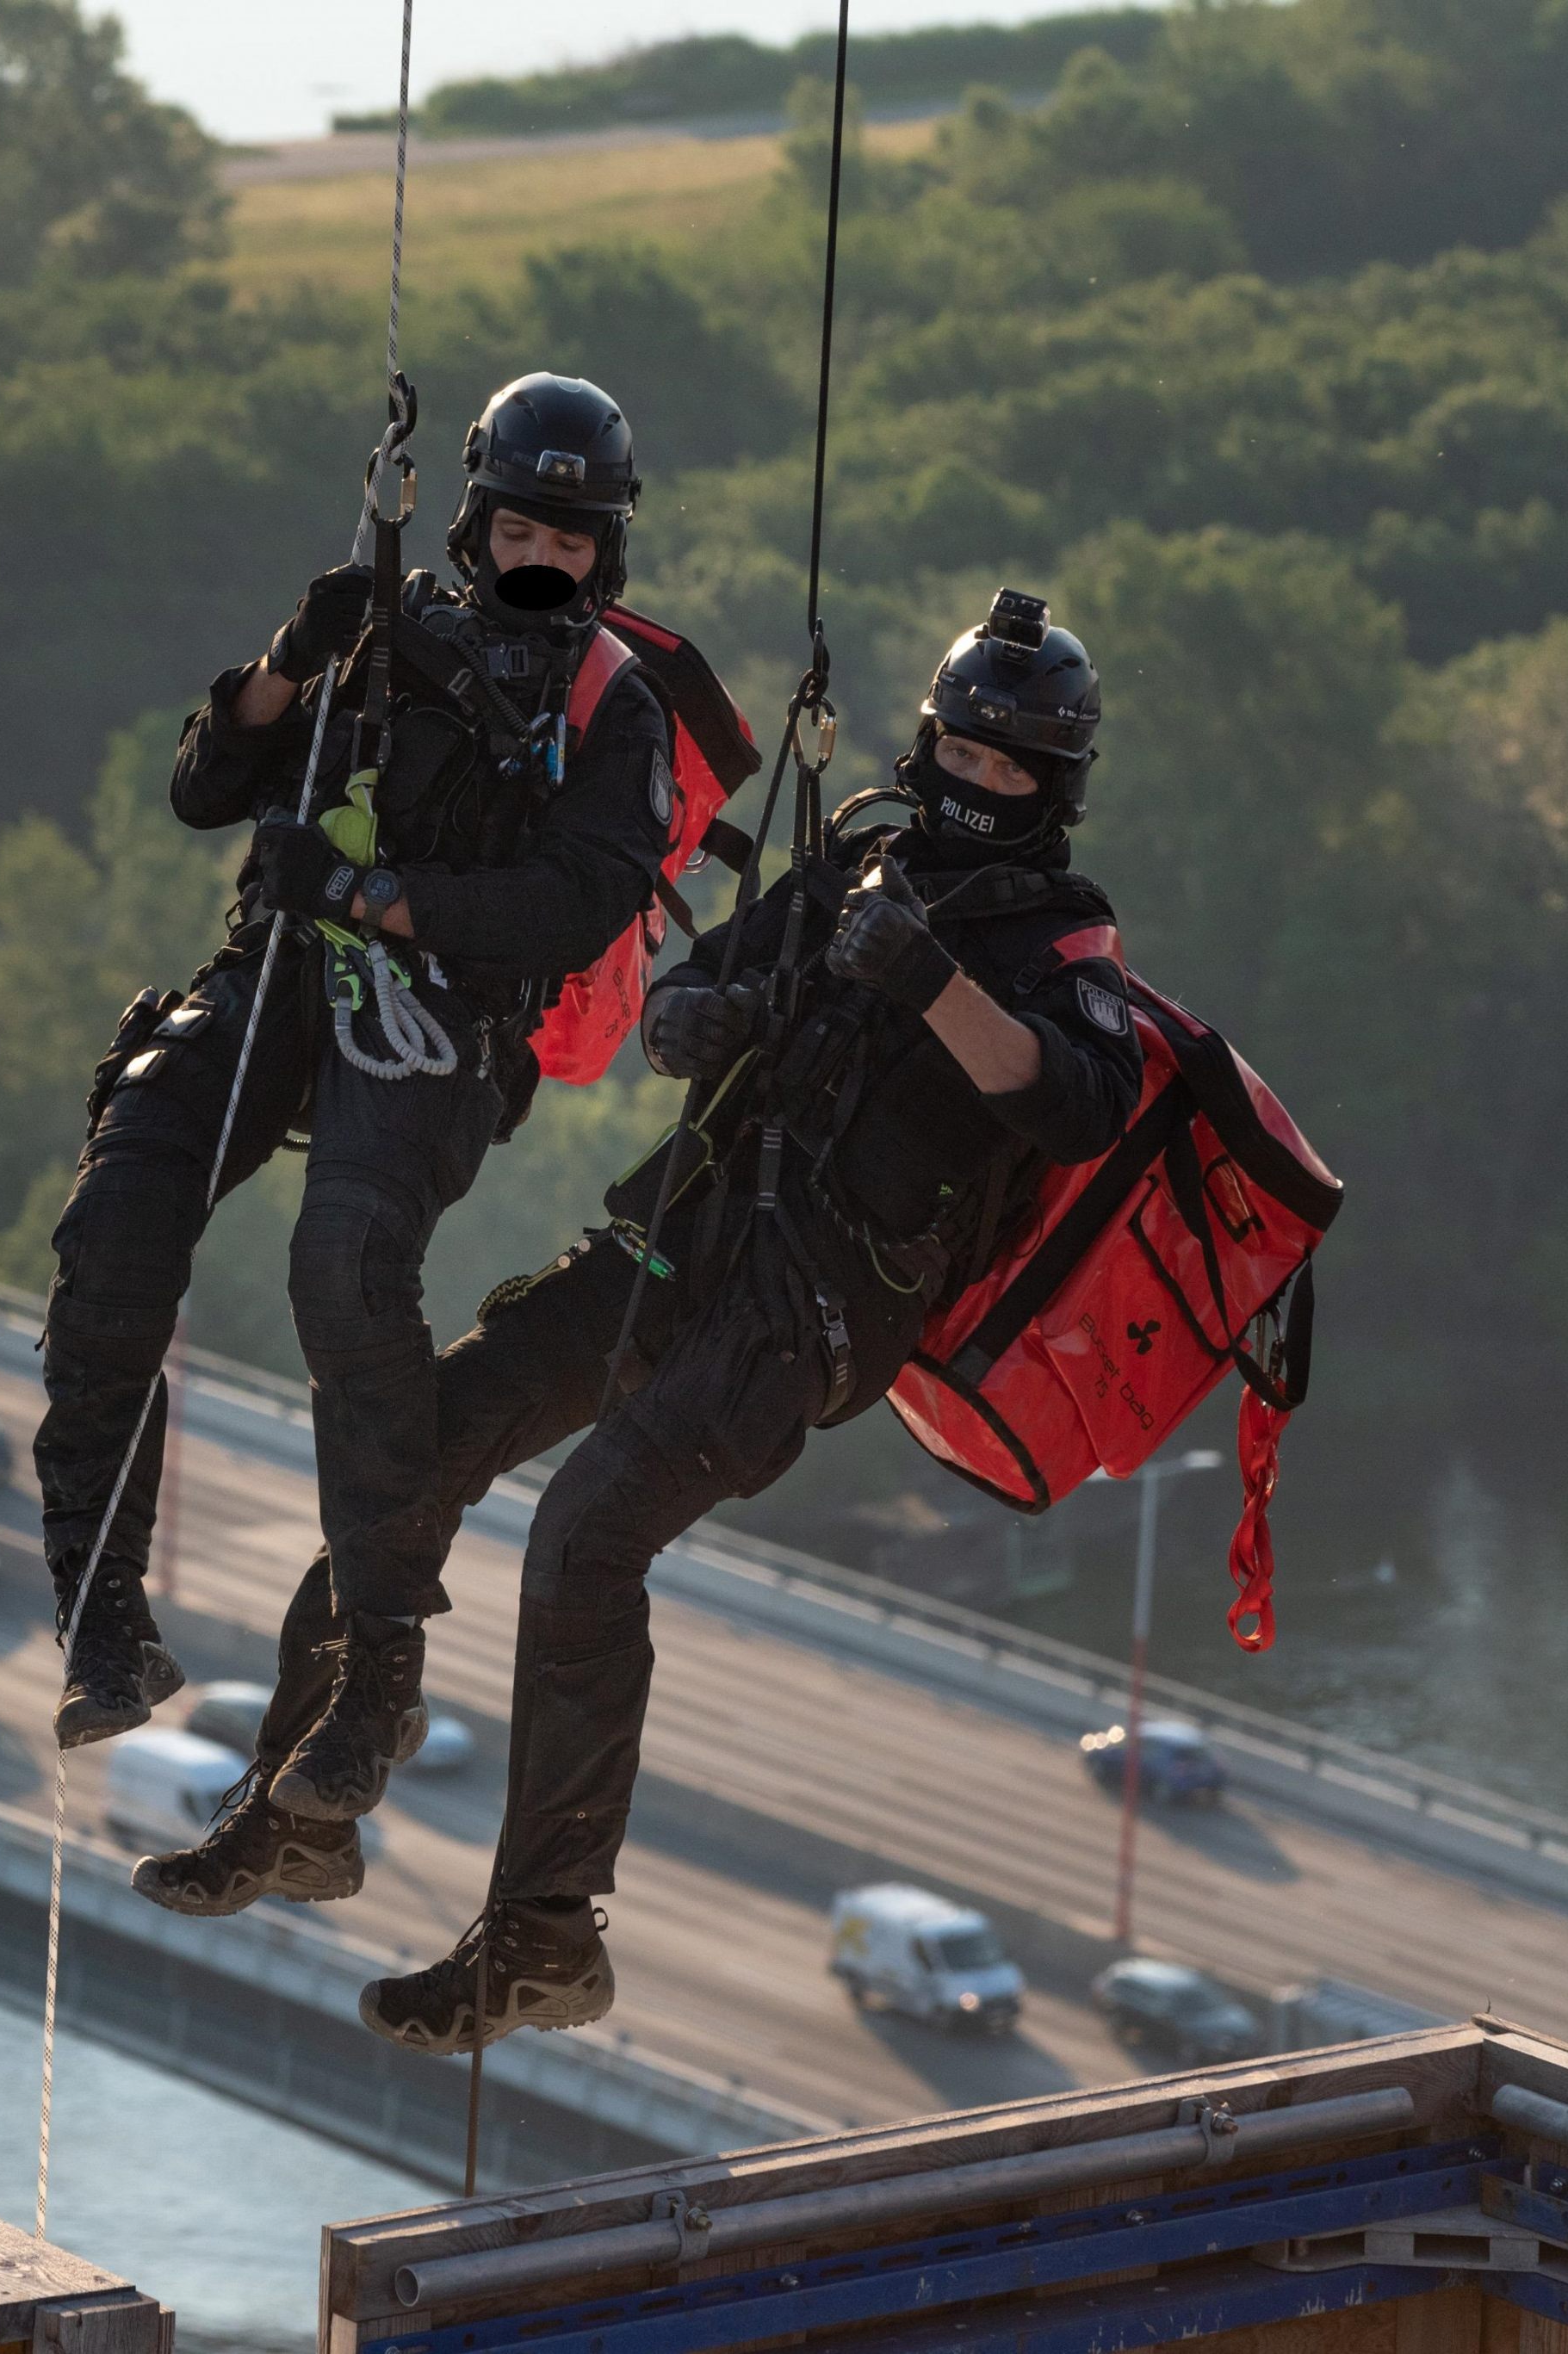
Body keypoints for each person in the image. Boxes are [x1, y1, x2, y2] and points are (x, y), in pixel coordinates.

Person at [133, 591, 1148, 2057]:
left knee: (586, 1536)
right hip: (687, 1235)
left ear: (1053, 788)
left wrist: (926, 983)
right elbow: (716, 966)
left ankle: (543, 1942)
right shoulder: (862, 862)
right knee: (419, 1439)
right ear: (930, 743)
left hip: (806, 1312)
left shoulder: (1063, 939)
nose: (980, 783)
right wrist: (701, 1011)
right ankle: (302, 1791)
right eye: (964, 753)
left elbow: (1080, 1106)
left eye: (1012, 769)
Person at [34, 374, 677, 1781]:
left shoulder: (613, 711)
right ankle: (102, 1611)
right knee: (123, 1202)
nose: (540, 557)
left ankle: (377, 1666)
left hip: (437, 1018)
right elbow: (207, 788)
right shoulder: (382, 636)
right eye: (521, 527)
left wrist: (378, 899)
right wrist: (288, 658)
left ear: (604, 548)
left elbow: (575, 904)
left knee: (348, 1260)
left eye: (570, 538)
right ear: (473, 521)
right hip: (277, 974)